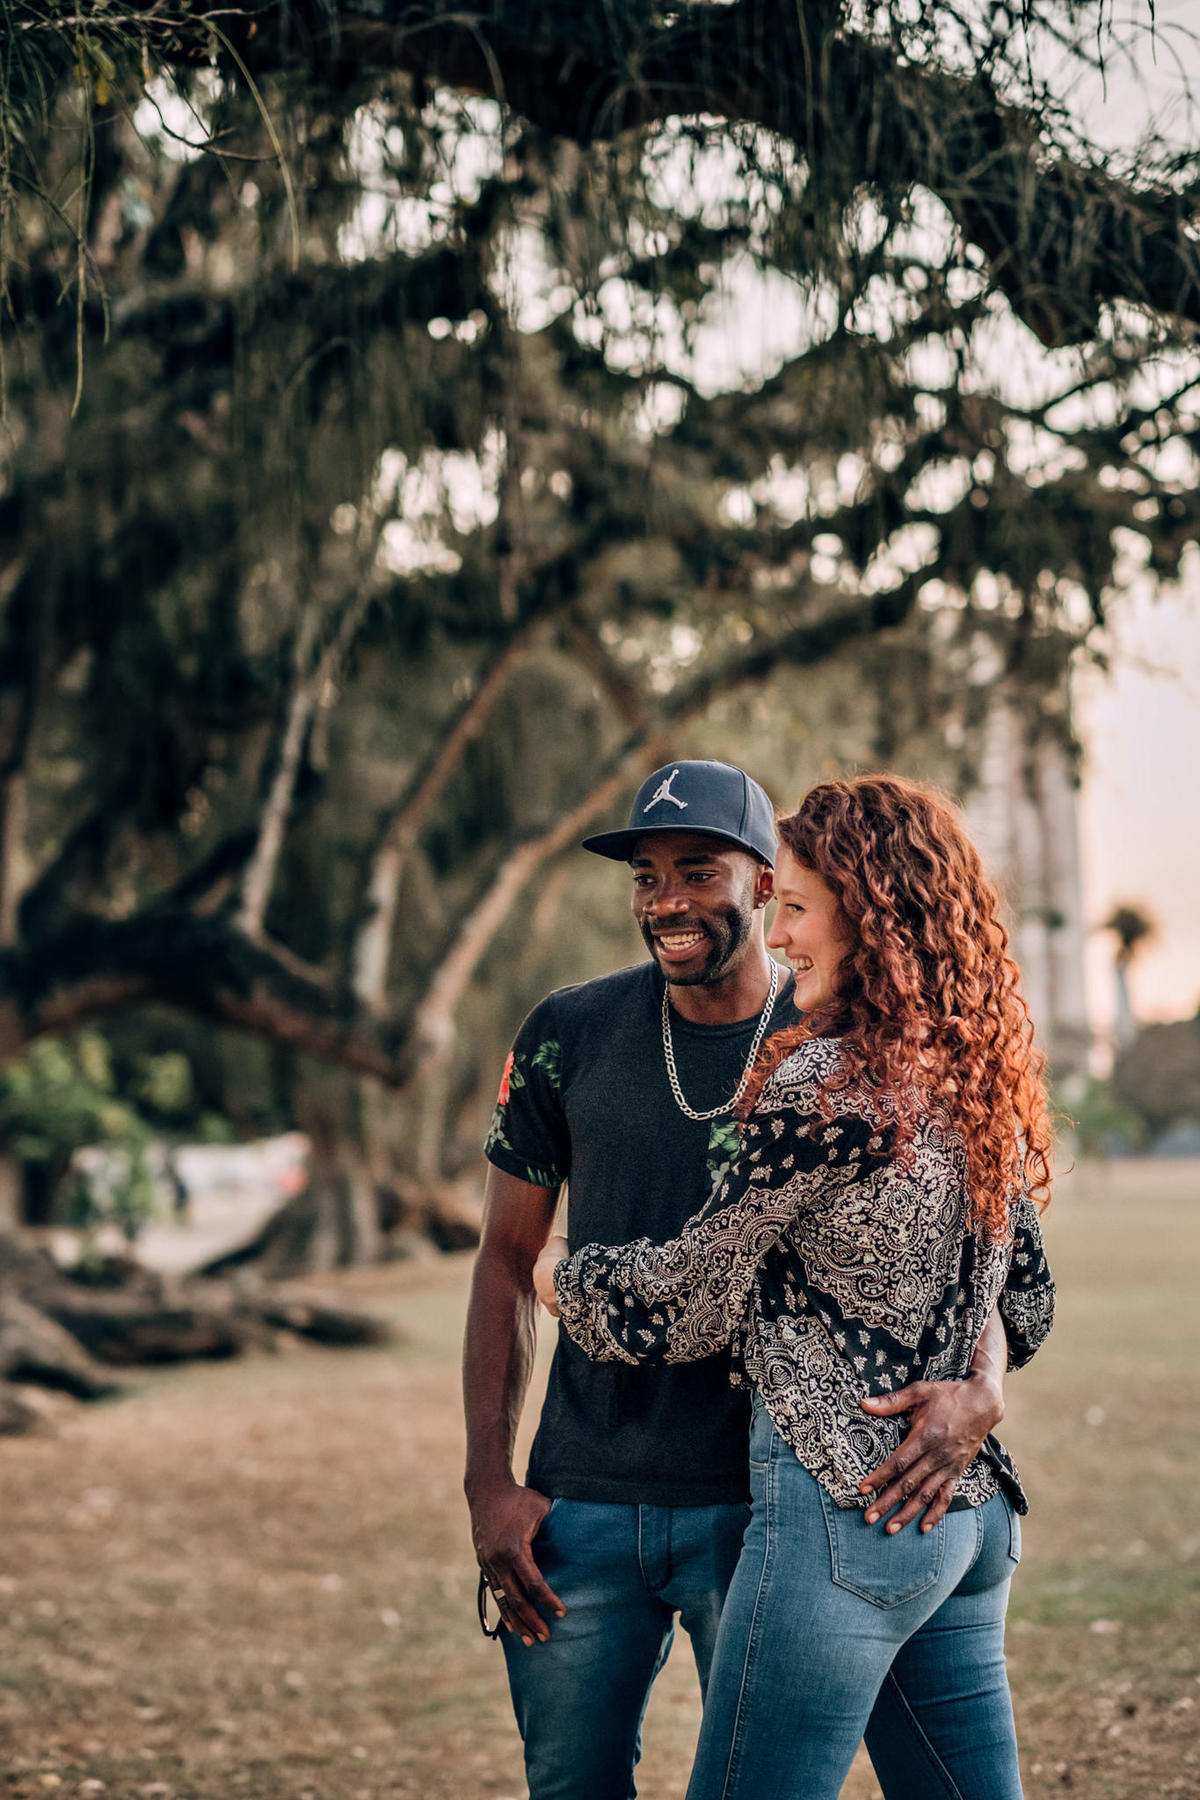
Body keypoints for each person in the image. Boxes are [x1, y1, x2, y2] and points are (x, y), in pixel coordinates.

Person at [464, 760, 1011, 1800]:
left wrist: (982, 1390)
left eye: (699, 870)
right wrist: (488, 1477)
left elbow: (981, 1250)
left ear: (769, 884)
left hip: (769, 1503)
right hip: (583, 1498)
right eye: (645, 875)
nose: (666, 899)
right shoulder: (566, 1034)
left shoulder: (834, 1049)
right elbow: (498, 1257)